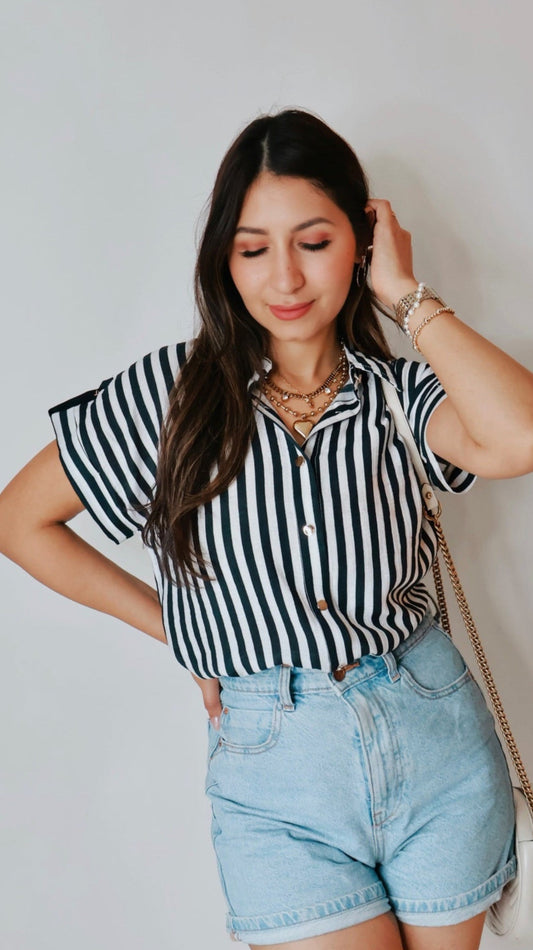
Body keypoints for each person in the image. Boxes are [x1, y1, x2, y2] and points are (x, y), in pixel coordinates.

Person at [1, 108, 532, 950]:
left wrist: (404, 294)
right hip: (275, 771)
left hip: (434, 740)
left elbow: (519, 436)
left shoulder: (402, 394)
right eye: (252, 248)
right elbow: (19, 521)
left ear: (359, 242)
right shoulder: (169, 399)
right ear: (224, 257)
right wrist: (181, 633)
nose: (283, 276)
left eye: (313, 241)